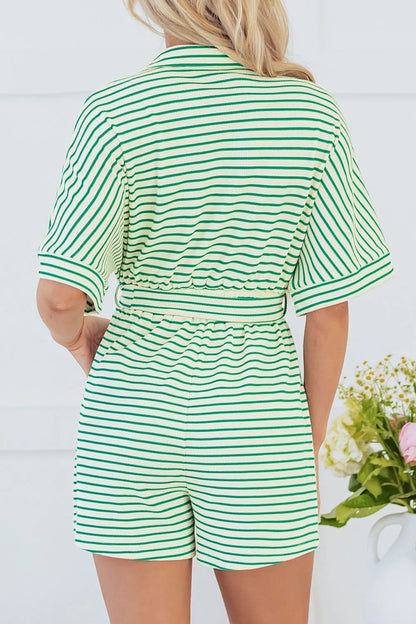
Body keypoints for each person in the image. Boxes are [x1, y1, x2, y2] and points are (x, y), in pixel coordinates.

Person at [35, 1, 395, 622]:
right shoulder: (309, 114)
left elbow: (60, 296)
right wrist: (301, 445)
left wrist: (78, 337)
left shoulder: (115, 111)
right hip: (257, 417)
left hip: (133, 413)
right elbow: (328, 309)